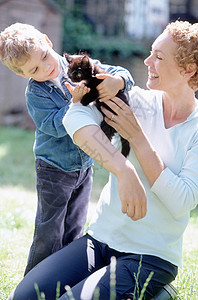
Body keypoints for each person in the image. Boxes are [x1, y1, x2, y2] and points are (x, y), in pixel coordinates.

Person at [8, 20, 198, 300]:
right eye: (150, 52)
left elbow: (183, 200)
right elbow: (75, 117)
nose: (147, 61)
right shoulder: (136, 101)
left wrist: (138, 140)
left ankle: (160, 291)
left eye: (158, 57)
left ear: (188, 71)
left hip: (150, 255)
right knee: (24, 297)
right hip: (100, 240)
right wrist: (123, 170)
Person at [0, 22, 133, 276]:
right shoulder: (35, 93)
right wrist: (74, 104)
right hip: (54, 168)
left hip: (85, 164)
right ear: (23, 74)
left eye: (44, 57)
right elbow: (52, 126)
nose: (46, 66)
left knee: (75, 226)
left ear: (48, 42)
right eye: (35, 69)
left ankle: (67, 278)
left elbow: (120, 73)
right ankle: (36, 281)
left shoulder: (77, 64)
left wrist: (118, 81)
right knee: (50, 231)